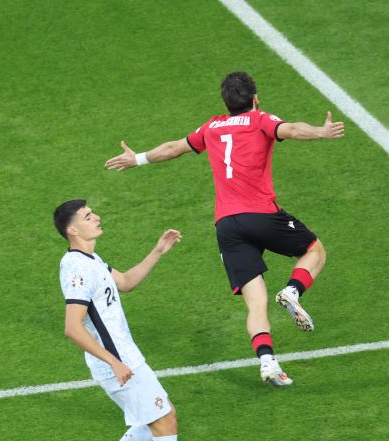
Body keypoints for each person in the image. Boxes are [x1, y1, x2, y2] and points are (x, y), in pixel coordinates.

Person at [105, 71, 345, 387]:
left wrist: (137, 159)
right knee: (315, 250)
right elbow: (291, 129)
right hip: (261, 215)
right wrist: (321, 132)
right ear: (255, 98)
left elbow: (174, 148)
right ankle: (292, 291)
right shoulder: (260, 120)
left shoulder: (212, 127)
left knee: (256, 301)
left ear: (225, 103)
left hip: (227, 226)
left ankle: (268, 363)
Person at [55, 199, 182, 441]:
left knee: (153, 419)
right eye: (88, 216)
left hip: (126, 357)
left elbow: (125, 282)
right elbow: (72, 327)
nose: (96, 217)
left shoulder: (92, 259)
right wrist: (113, 362)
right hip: (118, 364)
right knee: (164, 421)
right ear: (73, 230)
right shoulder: (76, 268)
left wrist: (157, 251)